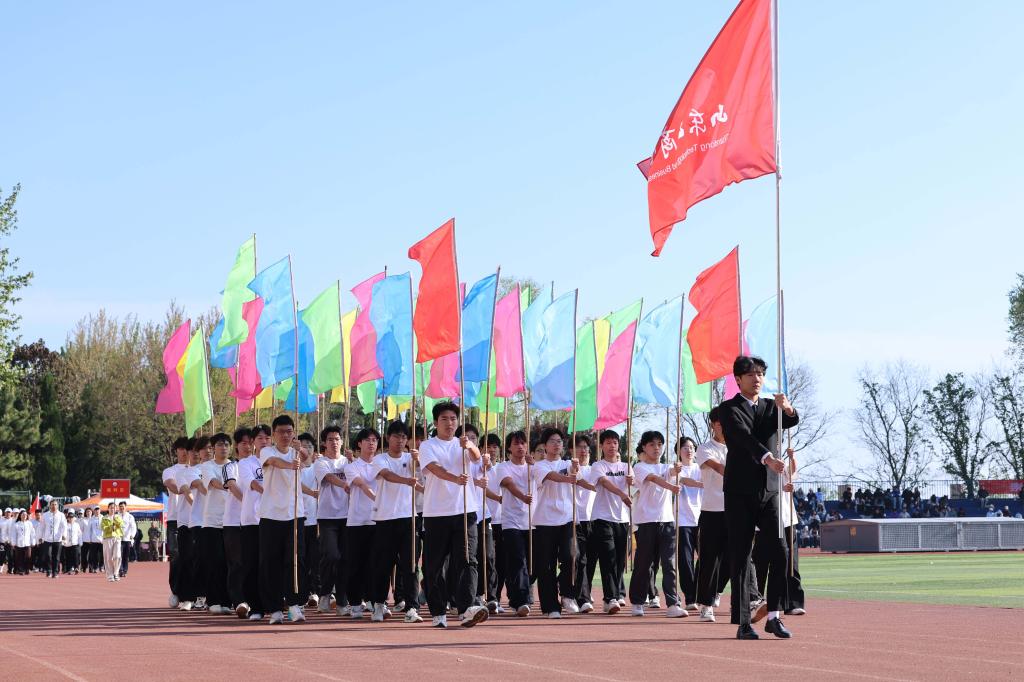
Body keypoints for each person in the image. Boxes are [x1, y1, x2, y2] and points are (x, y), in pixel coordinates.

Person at [721, 355, 799, 640]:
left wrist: (787, 408)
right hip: (740, 491)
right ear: (738, 379)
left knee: (781, 550)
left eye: (761, 374)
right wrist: (767, 458)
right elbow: (743, 438)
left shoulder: (770, 407)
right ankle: (743, 621)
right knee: (741, 555)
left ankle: (774, 616)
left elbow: (790, 421)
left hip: (770, 490)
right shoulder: (728, 409)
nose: (757, 379)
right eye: (751, 374)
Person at [419, 401, 489, 628]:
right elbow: (434, 469)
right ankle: (438, 611)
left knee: (468, 559)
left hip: (465, 510)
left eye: (453, 419)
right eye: (444, 419)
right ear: (435, 422)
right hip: (436, 512)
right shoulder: (428, 445)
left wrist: (469, 446)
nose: (449, 423)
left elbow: (477, 458)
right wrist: (455, 479)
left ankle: (467, 607)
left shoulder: (464, 444)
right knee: (435, 565)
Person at [368, 421, 422, 623]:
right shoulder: (379, 459)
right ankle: (379, 604)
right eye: (396, 436)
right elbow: (387, 475)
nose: (400, 440)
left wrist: (418, 460)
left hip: (409, 518)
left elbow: (424, 472)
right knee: (383, 565)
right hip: (385, 518)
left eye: (404, 437)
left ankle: (412, 607)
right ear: (388, 438)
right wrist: (406, 480)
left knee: (410, 564)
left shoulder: (411, 458)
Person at [629, 431, 686, 618]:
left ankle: (673, 603)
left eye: (660, 444)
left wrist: (677, 469)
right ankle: (638, 601)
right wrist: (671, 486)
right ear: (644, 447)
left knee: (669, 564)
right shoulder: (639, 467)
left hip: (667, 521)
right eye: (652, 444)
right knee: (644, 563)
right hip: (646, 521)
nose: (656, 448)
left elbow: (671, 473)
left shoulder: (667, 466)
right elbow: (654, 478)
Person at [258, 415, 305, 625]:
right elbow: (274, 462)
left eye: (289, 431)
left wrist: (300, 450)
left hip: (295, 514)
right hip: (271, 515)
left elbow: (307, 459)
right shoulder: (267, 451)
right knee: (271, 562)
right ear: (274, 434)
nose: (285, 435)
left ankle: (294, 605)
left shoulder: (297, 452)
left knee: (294, 561)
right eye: (281, 432)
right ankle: (275, 608)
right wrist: (290, 464)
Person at [530, 426, 579, 619]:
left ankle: (567, 593)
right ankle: (551, 606)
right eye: (552, 441)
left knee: (572, 556)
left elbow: (578, 476)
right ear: (544, 445)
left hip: (567, 518)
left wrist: (576, 469)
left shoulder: (569, 463)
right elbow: (552, 477)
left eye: (559, 441)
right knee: (546, 565)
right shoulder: (539, 466)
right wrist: (569, 477)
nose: (556, 444)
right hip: (545, 520)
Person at [755, 447, 806, 616]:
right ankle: (755, 600)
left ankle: (792, 602)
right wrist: (781, 489)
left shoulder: (783, 466)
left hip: (787, 518)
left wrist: (792, 458)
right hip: (766, 521)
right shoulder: (759, 467)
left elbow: (792, 473)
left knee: (791, 562)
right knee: (761, 562)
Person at [587, 430, 632, 614]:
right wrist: (621, 493)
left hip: (622, 518)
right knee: (608, 557)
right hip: (602, 517)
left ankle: (618, 593)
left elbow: (635, 488)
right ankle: (610, 598)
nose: (612, 446)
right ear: (601, 446)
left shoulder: (627, 466)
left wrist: (631, 481)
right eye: (608, 443)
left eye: (615, 442)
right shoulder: (598, 466)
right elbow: (604, 482)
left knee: (620, 560)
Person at [695, 409, 729, 623]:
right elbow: (719, 468)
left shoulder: (738, 447)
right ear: (713, 425)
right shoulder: (705, 449)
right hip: (712, 510)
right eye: (720, 423)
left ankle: (719, 591)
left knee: (736, 557)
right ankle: (706, 605)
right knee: (710, 560)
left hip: (734, 511)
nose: (724, 427)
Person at [314, 425, 351, 617]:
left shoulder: (348, 462)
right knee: (331, 555)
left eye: (337, 439)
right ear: (324, 443)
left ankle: (342, 600)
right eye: (330, 439)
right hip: (327, 516)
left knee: (345, 559)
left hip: (348, 516)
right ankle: (325, 592)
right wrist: (345, 484)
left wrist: (353, 463)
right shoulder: (321, 462)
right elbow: (328, 477)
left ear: (342, 442)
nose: (334, 442)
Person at [496, 430, 533, 617]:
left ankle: (516, 594)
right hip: (511, 522)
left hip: (533, 521)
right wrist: (523, 497)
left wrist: (535, 466)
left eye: (523, 443)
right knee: (518, 560)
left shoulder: (533, 467)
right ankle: (522, 600)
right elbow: (509, 484)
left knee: (532, 564)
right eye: (516, 443)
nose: (520, 447)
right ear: (509, 447)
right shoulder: (503, 467)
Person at [344, 427, 380, 620]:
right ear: (359, 443)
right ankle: (356, 603)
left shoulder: (381, 463)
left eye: (374, 440)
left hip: (378, 520)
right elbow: (362, 484)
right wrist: (378, 499)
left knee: (375, 564)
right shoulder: (352, 467)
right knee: (355, 565)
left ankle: (375, 602)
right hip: (357, 521)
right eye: (367, 440)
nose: (371, 443)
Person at [237, 424, 270, 620]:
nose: (264, 441)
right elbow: (252, 483)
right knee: (251, 564)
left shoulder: (277, 460)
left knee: (270, 563)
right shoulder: (246, 463)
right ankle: (256, 607)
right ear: (252, 442)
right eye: (260, 438)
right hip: (251, 519)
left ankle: (272, 603)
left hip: (273, 518)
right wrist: (271, 492)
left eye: (267, 438)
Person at [199, 432, 232, 614]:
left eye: (226, 444)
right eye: (220, 444)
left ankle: (227, 601)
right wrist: (229, 485)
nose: (223, 448)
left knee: (229, 563)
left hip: (231, 521)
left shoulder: (234, 466)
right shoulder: (207, 466)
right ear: (213, 448)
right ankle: (213, 600)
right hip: (212, 521)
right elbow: (213, 483)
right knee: (214, 561)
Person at [222, 427, 250, 614]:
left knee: (253, 562)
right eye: (243, 443)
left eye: (250, 443)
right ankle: (239, 600)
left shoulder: (260, 465)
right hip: (234, 522)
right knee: (237, 562)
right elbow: (232, 485)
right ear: (237, 446)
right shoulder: (231, 467)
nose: (247, 446)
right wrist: (248, 502)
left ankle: (254, 599)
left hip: (255, 522)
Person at [674, 437, 703, 611]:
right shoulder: (676, 469)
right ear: (679, 451)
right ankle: (690, 597)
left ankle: (700, 591)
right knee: (685, 561)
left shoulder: (701, 468)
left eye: (692, 447)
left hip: (701, 518)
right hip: (683, 520)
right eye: (685, 447)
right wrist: (702, 484)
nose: (689, 450)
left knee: (705, 557)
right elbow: (684, 481)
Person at [571, 434, 598, 613]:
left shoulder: (595, 468)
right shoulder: (569, 467)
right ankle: (583, 598)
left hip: (594, 518)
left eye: (586, 448)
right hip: (575, 519)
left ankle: (582, 591)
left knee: (591, 560)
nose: (583, 451)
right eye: (579, 447)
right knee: (580, 559)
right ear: (571, 450)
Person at [163, 437, 189, 605]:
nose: (185, 451)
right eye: (181, 448)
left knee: (194, 556)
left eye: (188, 448)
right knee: (176, 556)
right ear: (176, 451)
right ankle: (176, 592)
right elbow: (172, 485)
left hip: (194, 519)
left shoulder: (198, 469)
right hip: (175, 519)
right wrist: (185, 487)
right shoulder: (170, 471)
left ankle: (194, 593)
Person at [297, 432, 321, 608]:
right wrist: (312, 493)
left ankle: (315, 591)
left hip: (315, 520)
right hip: (297, 519)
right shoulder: (293, 467)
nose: (306, 449)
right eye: (302, 446)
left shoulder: (317, 467)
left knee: (315, 558)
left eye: (309, 446)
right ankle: (301, 592)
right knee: (300, 558)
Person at [41, 499, 68, 579]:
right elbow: (42, 527)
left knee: (56, 557)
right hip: (47, 539)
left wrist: (64, 535)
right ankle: (49, 571)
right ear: (50, 505)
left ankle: (55, 572)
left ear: (57, 506)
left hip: (58, 539)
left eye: (55, 504)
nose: (54, 506)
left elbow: (64, 526)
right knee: (48, 556)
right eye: (52, 504)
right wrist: (40, 537)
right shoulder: (45, 515)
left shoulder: (61, 515)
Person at [101, 502, 125, 582]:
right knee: (108, 558)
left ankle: (116, 573)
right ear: (108, 509)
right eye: (111, 507)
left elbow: (122, 525)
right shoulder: (104, 518)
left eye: (114, 508)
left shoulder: (118, 517)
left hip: (117, 537)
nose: (112, 509)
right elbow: (103, 527)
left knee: (117, 556)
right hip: (108, 538)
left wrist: (116, 521)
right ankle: (110, 575)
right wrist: (110, 527)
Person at [117, 501, 137, 578]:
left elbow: (133, 527)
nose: (121, 508)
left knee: (125, 556)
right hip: (119, 539)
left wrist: (132, 535)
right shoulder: (116, 516)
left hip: (127, 539)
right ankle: (121, 570)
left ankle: (125, 570)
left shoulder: (130, 517)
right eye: (120, 506)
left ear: (125, 507)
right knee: (119, 555)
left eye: (123, 506)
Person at [11, 511, 34, 575]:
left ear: (27, 516)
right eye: (23, 514)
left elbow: (32, 533)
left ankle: (27, 569)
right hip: (19, 544)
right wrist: (13, 543)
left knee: (28, 557)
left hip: (27, 543)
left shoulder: (29, 523)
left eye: (25, 515)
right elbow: (13, 534)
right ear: (20, 516)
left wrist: (33, 541)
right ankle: (21, 570)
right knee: (20, 558)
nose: (24, 516)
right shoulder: (16, 524)